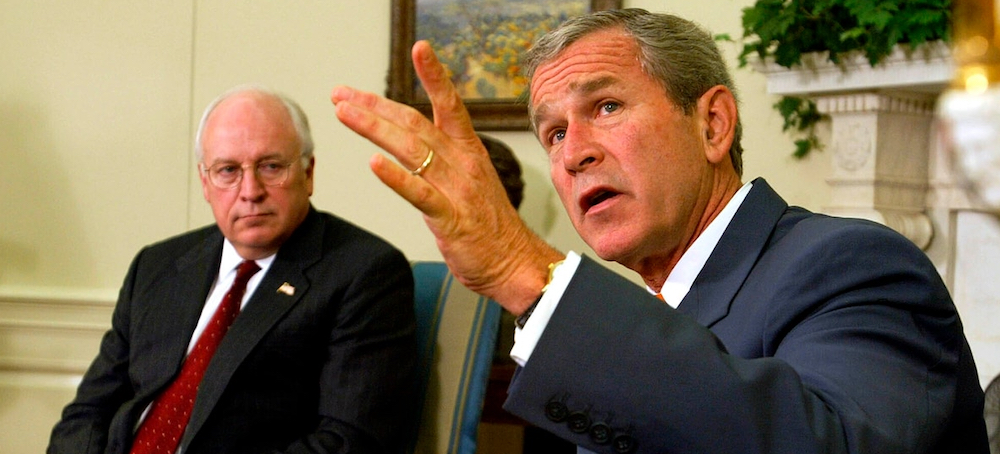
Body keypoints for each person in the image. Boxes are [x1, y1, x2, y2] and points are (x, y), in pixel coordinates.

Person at [331, 8, 989, 454]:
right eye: (554, 132)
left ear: (713, 125)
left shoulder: (852, 264)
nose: (571, 152)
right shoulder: (631, 315)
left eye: (606, 107)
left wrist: (528, 271)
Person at [48, 85, 417, 454]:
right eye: (228, 171)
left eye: (271, 167)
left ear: (309, 172)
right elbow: (87, 414)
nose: (250, 190)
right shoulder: (157, 266)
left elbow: (347, 442)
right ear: (206, 183)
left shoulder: (364, 272)